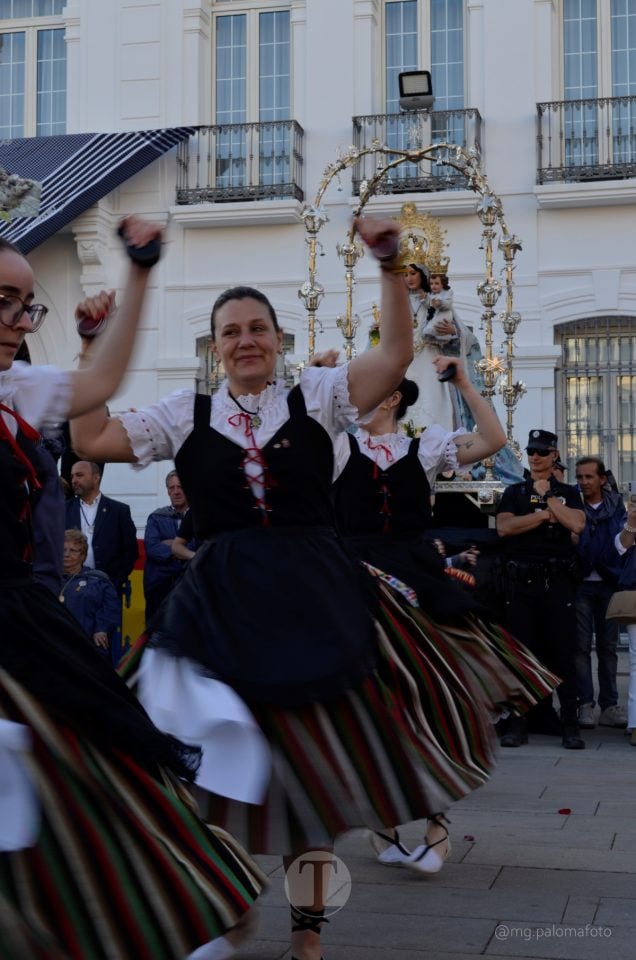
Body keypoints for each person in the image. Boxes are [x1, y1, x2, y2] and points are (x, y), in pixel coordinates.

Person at [70, 216, 502, 960]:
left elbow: (395, 355)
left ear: (277, 339)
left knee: (313, 774)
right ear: (216, 346)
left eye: (258, 329)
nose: (246, 341)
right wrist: (88, 350)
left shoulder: (319, 395)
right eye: (231, 331)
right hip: (222, 602)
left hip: (313, 597)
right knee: (203, 762)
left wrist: (388, 265)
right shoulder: (185, 413)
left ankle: (307, 935)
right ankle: (227, 904)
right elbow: (90, 439)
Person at [0, 225, 262, 959]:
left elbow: (102, 386)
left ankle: (164, 905)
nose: (19, 321)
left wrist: (140, 271)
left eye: (26, 306)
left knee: (86, 758)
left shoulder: (14, 388)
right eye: (4, 301)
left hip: (18, 617)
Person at [332, 373, 559, 871]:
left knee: (431, 698)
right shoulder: (339, 447)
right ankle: (383, 820)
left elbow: (494, 441)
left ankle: (437, 824)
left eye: (366, 389)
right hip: (354, 579)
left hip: (416, 578)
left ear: (392, 397)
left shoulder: (427, 448)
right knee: (371, 705)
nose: (355, 399)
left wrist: (465, 383)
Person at [495, 429, 586, 750]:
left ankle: (570, 724)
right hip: (521, 584)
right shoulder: (515, 492)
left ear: (554, 456)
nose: (535, 457)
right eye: (531, 451)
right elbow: (505, 527)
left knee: (563, 654)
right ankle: (518, 724)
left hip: (556, 584)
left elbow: (576, 524)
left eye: (542, 452)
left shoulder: (568, 493)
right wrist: (547, 516)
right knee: (522, 654)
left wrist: (548, 499)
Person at [574, 456, 628, 729]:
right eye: (580, 477)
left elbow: (619, 542)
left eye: (589, 477)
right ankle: (585, 704)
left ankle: (609, 706)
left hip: (608, 583)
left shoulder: (616, 505)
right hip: (580, 584)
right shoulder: (572, 503)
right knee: (581, 647)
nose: (584, 482)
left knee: (608, 648)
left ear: (602, 479)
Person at [66, 458, 138, 593]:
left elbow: (130, 551)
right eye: (72, 476)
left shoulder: (119, 511)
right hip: (71, 587)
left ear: (96, 478)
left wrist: (115, 582)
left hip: (108, 587)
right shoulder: (63, 510)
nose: (74, 480)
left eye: (79, 475)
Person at [60, 528, 122, 663]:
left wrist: (102, 629)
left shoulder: (98, 580)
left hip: (87, 645)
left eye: (73, 550)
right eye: (63, 550)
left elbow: (111, 608)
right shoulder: (48, 579)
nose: (67, 554)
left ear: (83, 555)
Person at [143, 469, 193, 622]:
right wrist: (181, 549)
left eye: (180, 487)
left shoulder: (199, 518)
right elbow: (152, 549)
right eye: (172, 487)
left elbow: (201, 546)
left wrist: (171, 544)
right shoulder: (156, 517)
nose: (176, 492)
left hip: (190, 583)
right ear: (168, 491)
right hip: (159, 585)